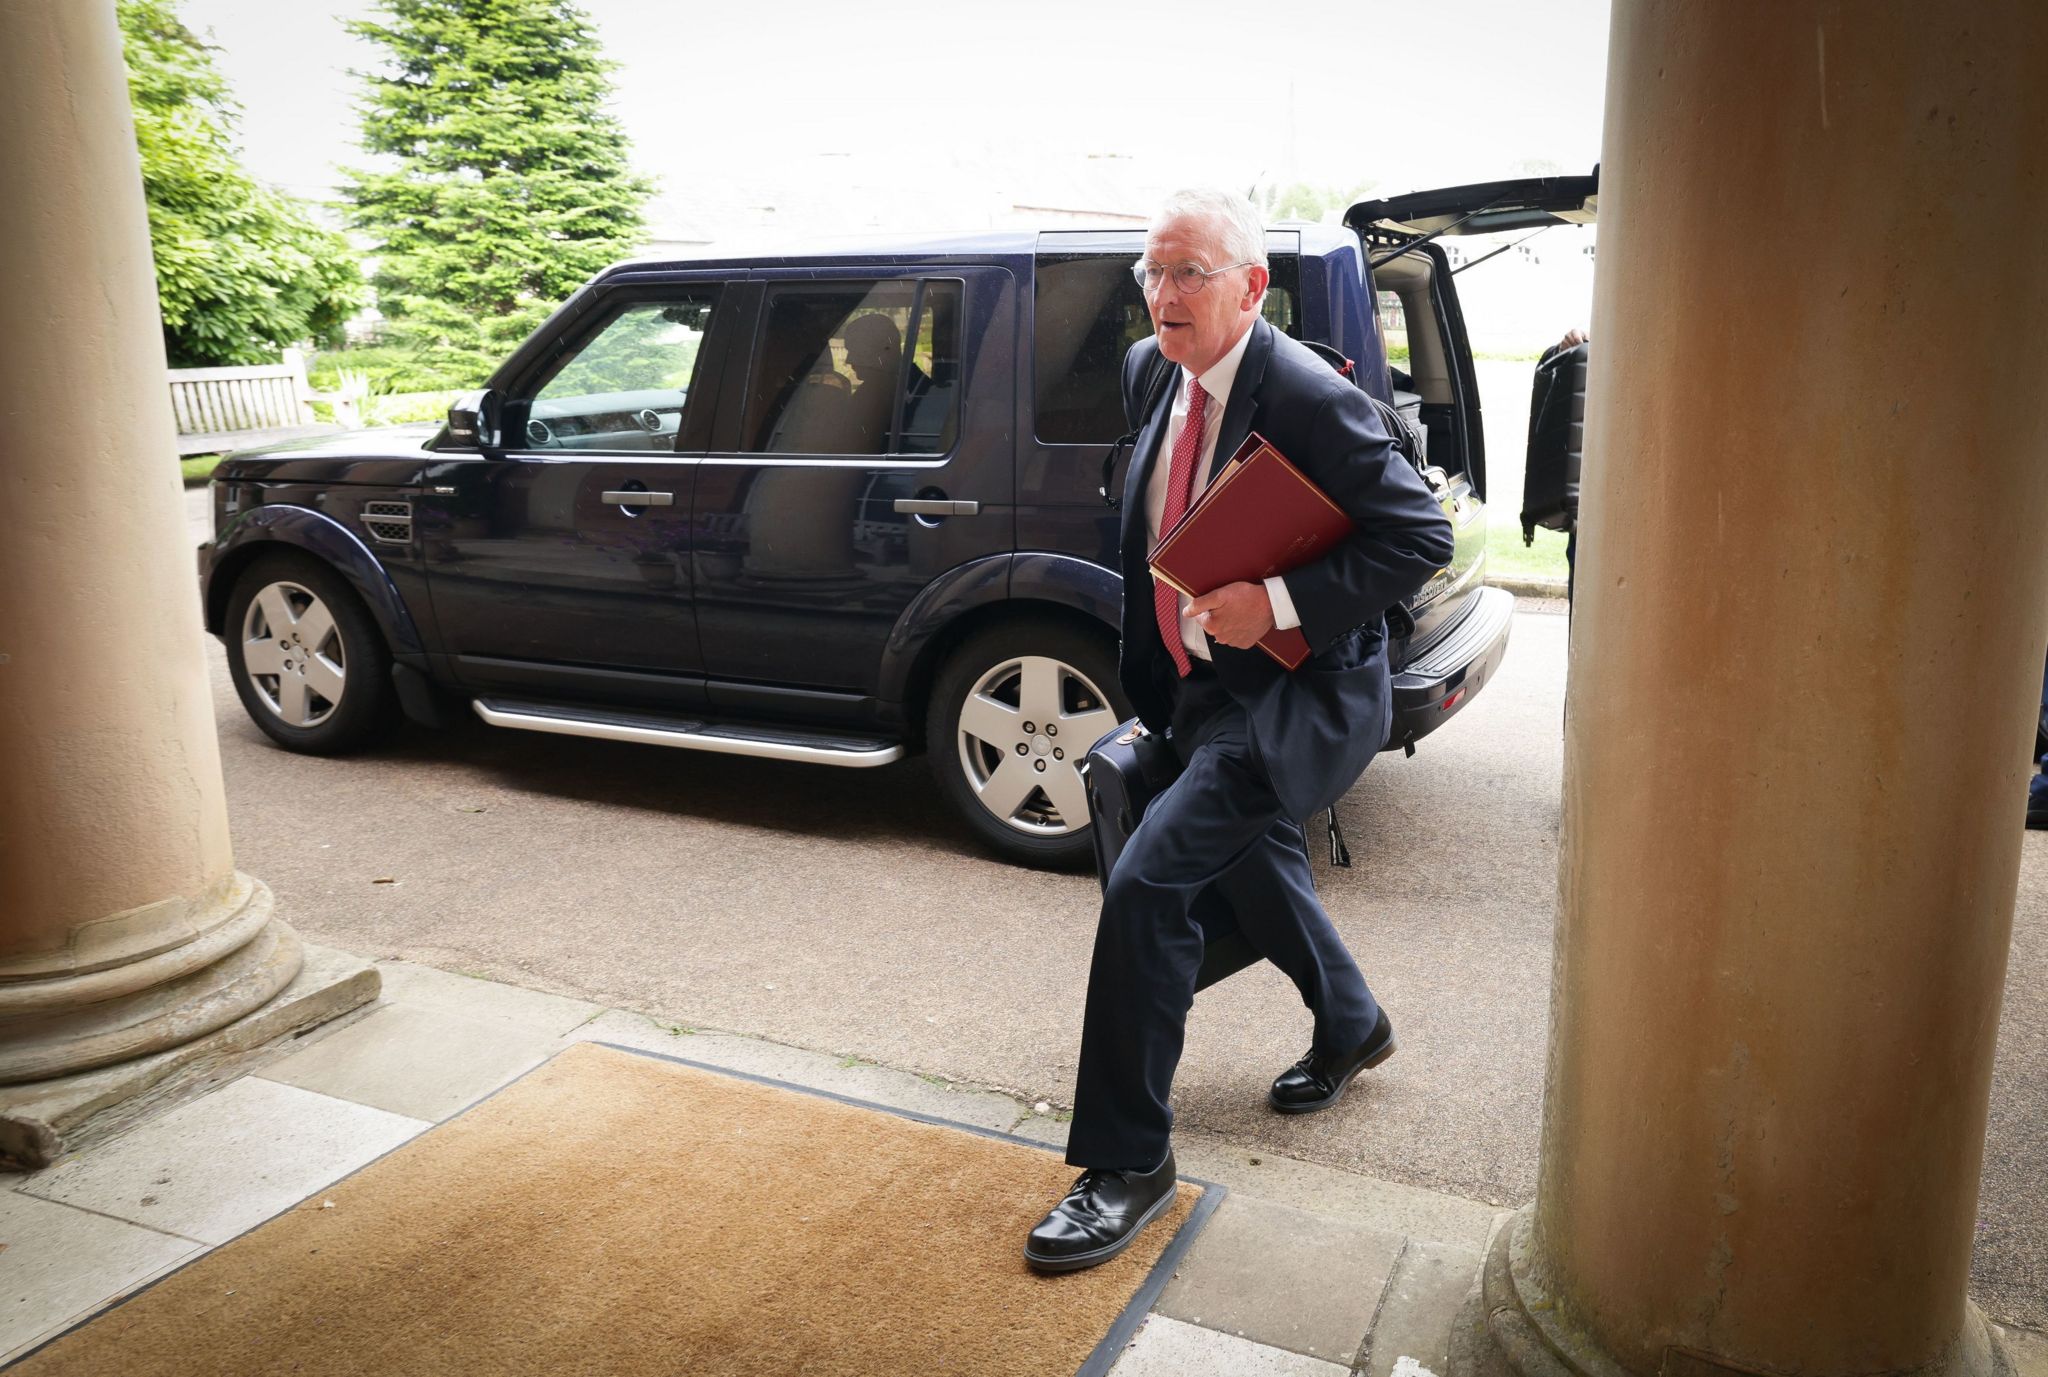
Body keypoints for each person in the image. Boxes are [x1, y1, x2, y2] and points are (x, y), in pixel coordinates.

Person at [1023, 190, 1455, 1273]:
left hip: (1293, 693)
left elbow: (1418, 536)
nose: (1161, 298)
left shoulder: (1308, 395)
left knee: (1149, 884)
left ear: (1250, 287)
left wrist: (1280, 601)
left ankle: (1126, 1163)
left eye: (1188, 275)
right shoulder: (1146, 371)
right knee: (1256, 866)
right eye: (1150, 275)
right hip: (1198, 687)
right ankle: (1350, 1022)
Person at [842, 313, 929, 454]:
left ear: (884, 350)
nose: (848, 360)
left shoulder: (883, 392)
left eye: (855, 351)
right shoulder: (915, 383)